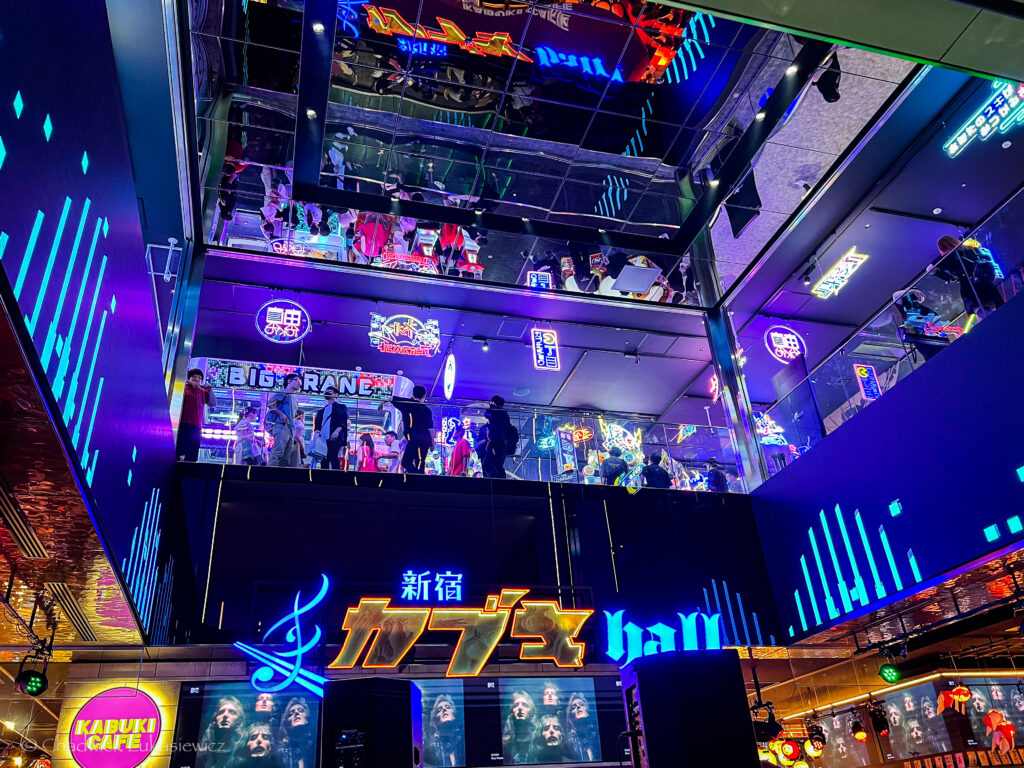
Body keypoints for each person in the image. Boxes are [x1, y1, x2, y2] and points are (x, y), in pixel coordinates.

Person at [936, 235, 1004, 319]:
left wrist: (936, 273)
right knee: (1002, 312)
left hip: (971, 288)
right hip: (987, 284)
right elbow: (987, 258)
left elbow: (948, 272)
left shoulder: (951, 257)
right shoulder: (973, 249)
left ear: (943, 248)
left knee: (986, 317)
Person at [389, 385, 434, 474]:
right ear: (424, 396)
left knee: (406, 462)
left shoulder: (407, 404)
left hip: (413, 439)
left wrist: (382, 403)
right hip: (425, 439)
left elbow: (390, 398)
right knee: (420, 462)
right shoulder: (427, 410)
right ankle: (418, 476)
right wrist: (432, 443)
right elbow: (431, 429)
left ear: (413, 394)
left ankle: (416, 475)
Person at [179, 368, 217, 461]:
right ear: (189, 378)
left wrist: (210, 390)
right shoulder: (184, 387)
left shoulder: (203, 391)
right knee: (180, 449)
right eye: (194, 377)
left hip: (196, 425)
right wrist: (187, 381)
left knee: (192, 452)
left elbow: (212, 403)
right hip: (182, 423)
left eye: (199, 378)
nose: (197, 379)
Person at [198, 695, 246, 768]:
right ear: (215, 718)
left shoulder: (244, 746)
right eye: (221, 712)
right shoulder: (206, 745)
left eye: (232, 712)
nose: (225, 715)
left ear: (239, 720)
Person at [267, 374, 302, 467]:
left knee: (286, 457)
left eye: (300, 381)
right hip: (281, 425)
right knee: (278, 452)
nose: (299, 383)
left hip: (290, 428)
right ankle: (268, 475)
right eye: (297, 380)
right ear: (289, 381)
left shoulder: (295, 399)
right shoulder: (284, 392)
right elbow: (270, 404)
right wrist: (281, 414)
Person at [313, 386, 349, 470]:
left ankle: (335, 478)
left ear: (336, 394)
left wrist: (337, 431)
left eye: (331, 391)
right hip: (323, 438)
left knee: (333, 457)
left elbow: (342, 421)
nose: (328, 392)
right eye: (327, 391)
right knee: (324, 459)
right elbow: (318, 424)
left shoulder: (341, 407)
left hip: (334, 437)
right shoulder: (322, 410)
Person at [423, 694, 464, 768]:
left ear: (454, 714)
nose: (444, 709)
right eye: (439, 709)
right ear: (435, 720)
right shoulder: (430, 749)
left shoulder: (462, 742)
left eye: (448, 707)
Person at [277, 698, 314, 768]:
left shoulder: (316, 745)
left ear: (307, 718)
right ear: (287, 723)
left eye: (301, 710)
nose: (296, 713)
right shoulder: (282, 752)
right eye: (291, 713)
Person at [502, 690, 538, 764]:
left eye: (524, 705)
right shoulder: (505, 743)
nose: (520, 708)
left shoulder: (538, 739)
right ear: (512, 712)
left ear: (531, 712)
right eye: (515, 705)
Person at [481, 395, 512, 479]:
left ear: (493, 402)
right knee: (498, 465)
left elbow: (484, 407)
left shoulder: (496, 411)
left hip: (496, 443)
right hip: (503, 444)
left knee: (487, 464)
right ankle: (500, 483)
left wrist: (468, 406)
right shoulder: (504, 414)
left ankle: (492, 482)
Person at [565, 692, 599, 762]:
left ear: (587, 710)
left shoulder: (596, 736)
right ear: (571, 716)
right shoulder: (569, 742)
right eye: (574, 707)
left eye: (581, 704)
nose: (578, 706)